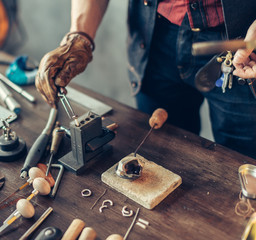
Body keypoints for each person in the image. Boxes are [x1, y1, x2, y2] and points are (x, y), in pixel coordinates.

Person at [35, 0, 256, 159]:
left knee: (244, 165)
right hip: (155, 38)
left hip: (243, 44)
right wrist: (79, 36)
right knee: (160, 155)